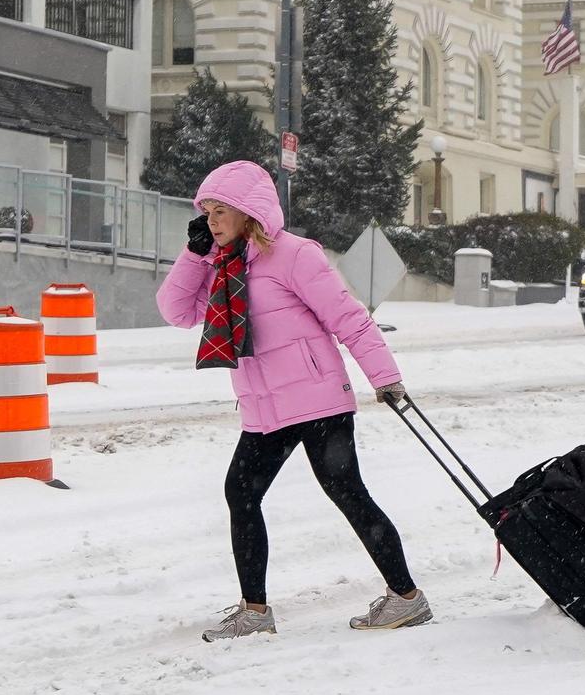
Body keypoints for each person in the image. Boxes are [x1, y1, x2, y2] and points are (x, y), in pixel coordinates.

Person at [157, 160, 430, 642]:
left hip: (319, 401)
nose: (212, 221)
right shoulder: (221, 267)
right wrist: (193, 254)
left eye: (221, 211)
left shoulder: (294, 255)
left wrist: (384, 378)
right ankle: (255, 611)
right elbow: (176, 312)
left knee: (347, 494)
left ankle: (406, 599)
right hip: (264, 406)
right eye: (207, 213)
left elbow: (349, 319)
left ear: (249, 213)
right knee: (240, 494)